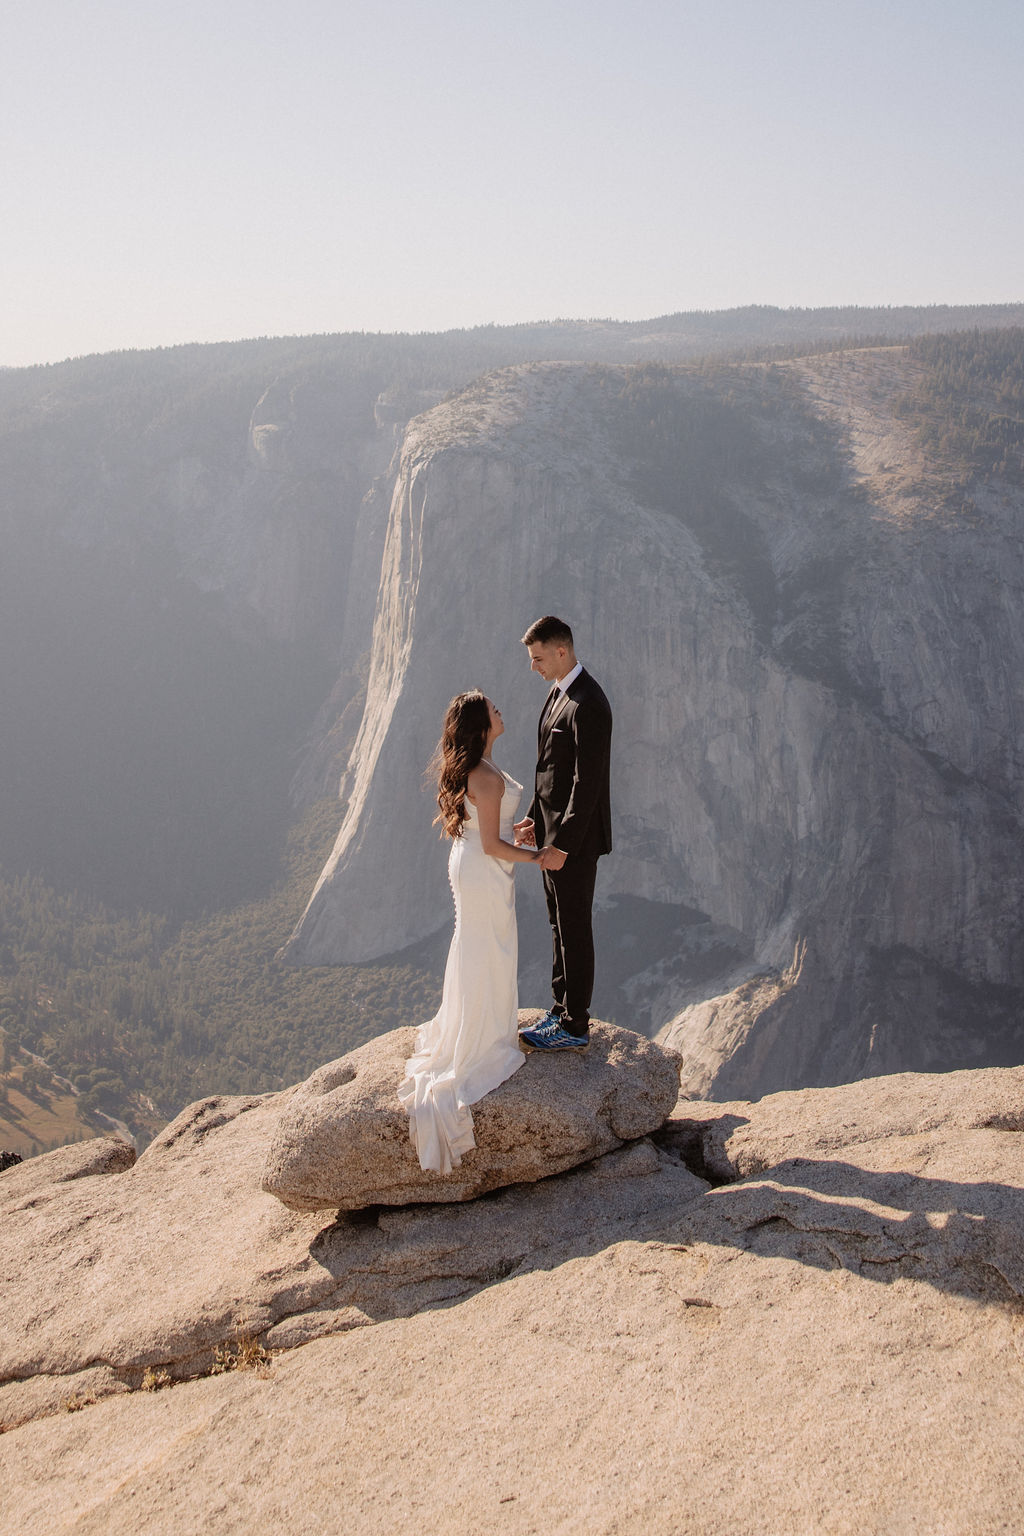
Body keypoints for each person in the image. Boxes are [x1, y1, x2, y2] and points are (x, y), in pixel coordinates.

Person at [399, 690, 541, 1173]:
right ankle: (482, 1038)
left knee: (480, 944)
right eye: (493, 709)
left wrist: (514, 832)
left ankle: (482, 1023)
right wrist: (538, 856)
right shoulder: (482, 772)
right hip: (483, 868)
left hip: (475, 862)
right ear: (481, 724)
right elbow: (493, 846)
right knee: (487, 946)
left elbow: (491, 829)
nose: (501, 710)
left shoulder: (480, 767)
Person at [517, 616, 613, 1052]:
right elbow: (549, 773)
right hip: (551, 837)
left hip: (571, 844)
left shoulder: (588, 702)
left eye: (537, 658)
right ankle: (560, 1008)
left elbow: (586, 785)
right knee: (558, 923)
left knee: (574, 927)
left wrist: (563, 846)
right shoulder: (558, 695)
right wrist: (534, 820)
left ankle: (575, 1025)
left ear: (561, 651)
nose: (533, 666)